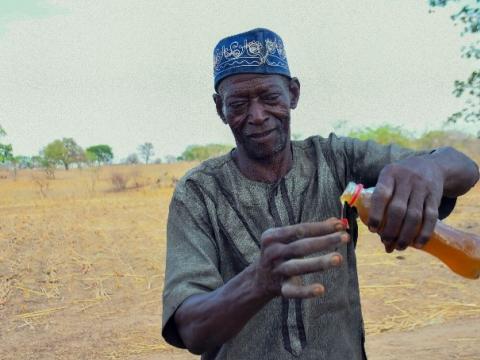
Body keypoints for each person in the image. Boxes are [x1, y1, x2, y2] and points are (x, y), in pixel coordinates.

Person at [161, 28, 479, 360]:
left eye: (270, 98)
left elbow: (465, 169)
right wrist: (257, 282)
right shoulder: (198, 193)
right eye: (238, 103)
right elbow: (191, 328)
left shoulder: (336, 159)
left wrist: (430, 168)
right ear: (219, 109)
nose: (256, 116)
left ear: (293, 93)